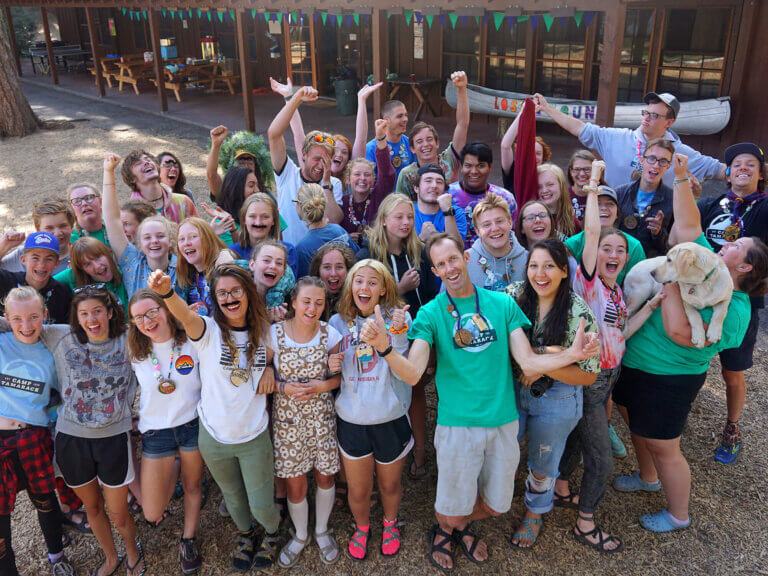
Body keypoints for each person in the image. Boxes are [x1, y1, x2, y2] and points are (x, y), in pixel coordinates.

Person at [356, 232, 599, 570]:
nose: (448, 268)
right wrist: (384, 348)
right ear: (436, 272)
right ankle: (447, 529)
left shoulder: (503, 304)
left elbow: (527, 362)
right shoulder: (429, 314)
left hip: (502, 421)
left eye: (453, 259)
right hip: (457, 425)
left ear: (466, 258)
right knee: (450, 505)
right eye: (440, 265)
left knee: (498, 504)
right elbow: (412, 374)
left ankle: (456, 524)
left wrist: (571, 355)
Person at [611, 153, 765, 533]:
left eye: (734, 246)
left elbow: (681, 332)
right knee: (637, 425)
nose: (723, 243)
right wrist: (680, 177)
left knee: (665, 445)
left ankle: (678, 514)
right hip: (638, 364)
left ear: (743, 267)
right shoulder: (704, 265)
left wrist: (672, 276)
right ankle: (647, 477)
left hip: (670, 378)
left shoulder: (736, 308)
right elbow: (687, 226)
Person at [147, 264, 282, 570]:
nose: (230, 298)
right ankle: (246, 536)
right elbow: (186, 315)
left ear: (248, 292)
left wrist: (271, 369)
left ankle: (272, 532)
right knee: (233, 497)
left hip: (254, 435)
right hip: (214, 437)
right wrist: (167, 292)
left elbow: (271, 359)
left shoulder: (267, 332)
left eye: (236, 291)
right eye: (222, 293)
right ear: (215, 298)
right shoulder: (207, 332)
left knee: (262, 502)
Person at [556, 162, 658, 553]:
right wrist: (594, 184)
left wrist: (651, 307)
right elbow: (593, 232)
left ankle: (561, 486)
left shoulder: (615, 293)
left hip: (610, 376)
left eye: (619, 251)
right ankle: (585, 522)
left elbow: (621, 331)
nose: (612, 254)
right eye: (605, 249)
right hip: (589, 380)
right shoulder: (590, 282)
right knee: (602, 459)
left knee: (580, 442)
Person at [505, 239, 601, 550]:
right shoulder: (512, 296)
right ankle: (495, 495)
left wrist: (540, 365)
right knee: (505, 446)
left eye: (549, 266)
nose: (540, 273)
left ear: (563, 271)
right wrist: (556, 354)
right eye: (534, 265)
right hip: (513, 388)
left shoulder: (578, 313)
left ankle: (535, 512)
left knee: (544, 460)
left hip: (558, 396)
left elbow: (588, 374)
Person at [43, 285, 145, 576]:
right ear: (76, 316)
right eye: (84, 313)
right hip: (71, 439)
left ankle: (132, 550)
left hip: (113, 438)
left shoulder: (129, 338)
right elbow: (14, 322)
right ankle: (111, 556)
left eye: (98, 311)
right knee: (93, 508)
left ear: (110, 312)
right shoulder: (60, 336)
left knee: (118, 511)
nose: (91, 319)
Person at [328, 259, 414, 560]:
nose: (364, 287)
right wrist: (330, 366)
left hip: (390, 418)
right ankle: (361, 527)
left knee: (390, 485)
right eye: (359, 280)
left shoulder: (398, 318)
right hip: (352, 420)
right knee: (358, 489)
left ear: (383, 290)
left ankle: (390, 523)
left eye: (372, 282)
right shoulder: (337, 323)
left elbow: (406, 369)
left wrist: (390, 337)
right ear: (351, 287)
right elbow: (330, 370)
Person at [696, 142, 768, 464]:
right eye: (738, 163)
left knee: (732, 370)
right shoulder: (713, 203)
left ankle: (733, 427)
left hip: (742, 301)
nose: (743, 168)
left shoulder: (765, 207)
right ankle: (680, 407)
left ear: (760, 174)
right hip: (700, 294)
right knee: (691, 356)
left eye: (751, 165)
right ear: (728, 173)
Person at [0, 287, 77, 576]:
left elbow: (64, 393)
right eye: (17, 318)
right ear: (7, 318)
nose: (26, 325)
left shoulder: (53, 349)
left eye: (33, 317)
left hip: (33, 435)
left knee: (44, 498)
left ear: (44, 315)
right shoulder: (2, 341)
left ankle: (57, 556)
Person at [269, 278, 342, 567]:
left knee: (325, 476)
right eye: (307, 301)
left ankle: (322, 529)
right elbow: (261, 373)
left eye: (319, 303)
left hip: (322, 418)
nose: (312, 308)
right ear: (294, 303)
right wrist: (282, 387)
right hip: (287, 421)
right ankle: (300, 534)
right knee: (295, 484)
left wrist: (322, 386)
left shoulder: (331, 334)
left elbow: (339, 377)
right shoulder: (274, 334)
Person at [533, 91, 725, 187]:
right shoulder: (616, 138)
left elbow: (719, 170)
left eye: (655, 116)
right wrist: (547, 108)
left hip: (651, 229)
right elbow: (579, 128)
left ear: (669, 122)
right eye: (646, 112)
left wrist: (750, 173)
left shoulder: (681, 152)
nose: (647, 118)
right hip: (611, 221)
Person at [267, 87, 344, 245]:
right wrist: (296, 98)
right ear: (303, 155)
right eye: (316, 158)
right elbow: (274, 134)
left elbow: (335, 220)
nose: (321, 165)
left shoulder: (333, 184)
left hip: (318, 261)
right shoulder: (287, 174)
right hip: (289, 257)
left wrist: (327, 182)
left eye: (326, 159)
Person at [102, 153, 181, 299]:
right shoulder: (131, 263)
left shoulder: (184, 265)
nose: (154, 241)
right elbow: (111, 218)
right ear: (139, 242)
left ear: (171, 239)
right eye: (147, 237)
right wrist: (108, 172)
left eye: (160, 236)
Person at [394, 71, 470, 198]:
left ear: (437, 143)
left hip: (451, 215)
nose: (425, 144)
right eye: (419, 141)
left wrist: (461, 89)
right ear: (412, 148)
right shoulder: (407, 175)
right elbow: (401, 206)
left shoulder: (449, 160)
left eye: (429, 139)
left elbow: (462, 124)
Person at [564, 185, 646, 286]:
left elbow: (638, 286)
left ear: (617, 214)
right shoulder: (572, 244)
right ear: (588, 211)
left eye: (610, 204)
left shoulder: (634, 246)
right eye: (597, 204)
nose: (604, 208)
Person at [615, 138, 675, 257]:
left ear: (668, 166)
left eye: (663, 161)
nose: (656, 165)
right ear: (642, 160)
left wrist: (658, 232)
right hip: (618, 263)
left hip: (649, 268)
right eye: (652, 159)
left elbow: (672, 248)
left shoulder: (674, 201)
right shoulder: (619, 193)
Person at [448, 141, 517, 245]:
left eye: (480, 165)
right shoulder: (447, 194)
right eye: (468, 165)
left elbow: (512, 236)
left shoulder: (505, 198)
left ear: (490, 167)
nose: (474, 171)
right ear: (461, 167)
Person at [339, 119, 396, 244]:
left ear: (373, 180)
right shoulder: (342, 203)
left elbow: (387, 173)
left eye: (367, 175)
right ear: (348, 179)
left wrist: (380, 139)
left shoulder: (379, 196)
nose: (362, 179)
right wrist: (346, 238)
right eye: (357, 174)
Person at [0, 232, 73, 324]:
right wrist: (4, 244)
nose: (41, 265)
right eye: (35, 258)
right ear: (23, 259)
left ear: (57, 263)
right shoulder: (5, 281)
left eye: (49, 259)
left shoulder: (63, 293)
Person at [294, 184, 358, 278]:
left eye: (295, 202)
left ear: (300, 206)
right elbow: (357, 258)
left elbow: (306, 283)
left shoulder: (302, 248)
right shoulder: (338, 230)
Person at [466, 193, 527, 291]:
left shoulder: (529, 261)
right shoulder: (464, 262)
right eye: (486, 225)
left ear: (510, 223)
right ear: (477, 231)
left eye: (499, 221)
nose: (494, 228)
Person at [176, 218, 236, 316]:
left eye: (193, 236)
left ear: (208, 239)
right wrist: (187, 318)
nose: (186, 243)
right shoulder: (186, 277)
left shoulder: (226, 263)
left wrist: (226, 266)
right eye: (181, 239)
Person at [120, 150, 198, 225]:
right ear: (131, 178)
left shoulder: (183, 202)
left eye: (148, 159)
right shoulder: (131, 214)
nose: (147, 162)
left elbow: (201, 234)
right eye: (138, 163)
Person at [0, 198, 74, 275]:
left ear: (72, 226)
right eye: (49, 228)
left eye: (63, 226)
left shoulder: (79, 257)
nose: (57, 233)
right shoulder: (24, 254)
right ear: (38, 230)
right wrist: (4, 246)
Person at [54, 237, 129, 310]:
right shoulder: (73, 276)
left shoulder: (126, 270)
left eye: (98, 257)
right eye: (88, 264)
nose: (97, 266)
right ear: (82, 269)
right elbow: (47, 282)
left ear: (107, 254)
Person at [229, 193, 297, 273]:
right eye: (252, 216)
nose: (258, 223)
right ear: (244, 220)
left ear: (273, 220)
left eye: (265, 217)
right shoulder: (232, 253)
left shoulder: (288, 251)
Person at [206, 125, 274, 200]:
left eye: (250, 163)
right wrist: (216, 145)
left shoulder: (266, 197)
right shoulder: (226, 192)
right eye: (241, 162)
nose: (246, 166)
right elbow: (211, 175)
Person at [412, 164, 467, 244]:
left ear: (444, 189)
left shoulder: (455, 212)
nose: (434, 186)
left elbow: (457, 249)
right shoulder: (407, 213)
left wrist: (448, 212)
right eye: (428, 181)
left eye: (439, 182)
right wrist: (421, 238)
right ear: (416, 188)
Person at [499, 110, 552, 193]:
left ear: (543, 157)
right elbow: (505, 146)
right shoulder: (514, 171)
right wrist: (523, 112)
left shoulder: (547, 175)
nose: (534, 157)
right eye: (530, 153)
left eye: (538, 153)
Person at [365, 99, 416, 181]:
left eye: (406, 115)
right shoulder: (370, 148)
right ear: (386, 120)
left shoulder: (410, 143)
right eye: (400, 116)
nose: (405, 119)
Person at [214, 165, 262, 245]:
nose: (257, 190)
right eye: (251, 186)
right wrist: (233, 229)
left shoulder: (265, 215)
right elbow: (236, 254)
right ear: (236, 189)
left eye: (257, 185)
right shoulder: (223, 224)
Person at [310, 243, 356, 320]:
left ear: (348, 270)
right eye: (327, 267)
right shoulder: (309, 303)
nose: (333, 273)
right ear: (318, 270)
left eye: (339, 267)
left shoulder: (356, 301)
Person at [249, 240, 296, 316]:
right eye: (266, 260)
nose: (273, 266)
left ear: (283, 271)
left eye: (279, 263)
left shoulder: (292, 301)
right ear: (252, 264)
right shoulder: (241, 296)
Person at [537, 164, 580, 238]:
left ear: (561, 186)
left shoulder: (572, 222)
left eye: (550, 184)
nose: (544, 190)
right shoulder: (534, 221)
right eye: (539, 187)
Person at [567, 149, 597, 221]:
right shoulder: (563, 195)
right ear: (571, 171)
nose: (582, 174)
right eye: (577, 169)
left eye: (587, 169)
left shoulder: (603, 194)